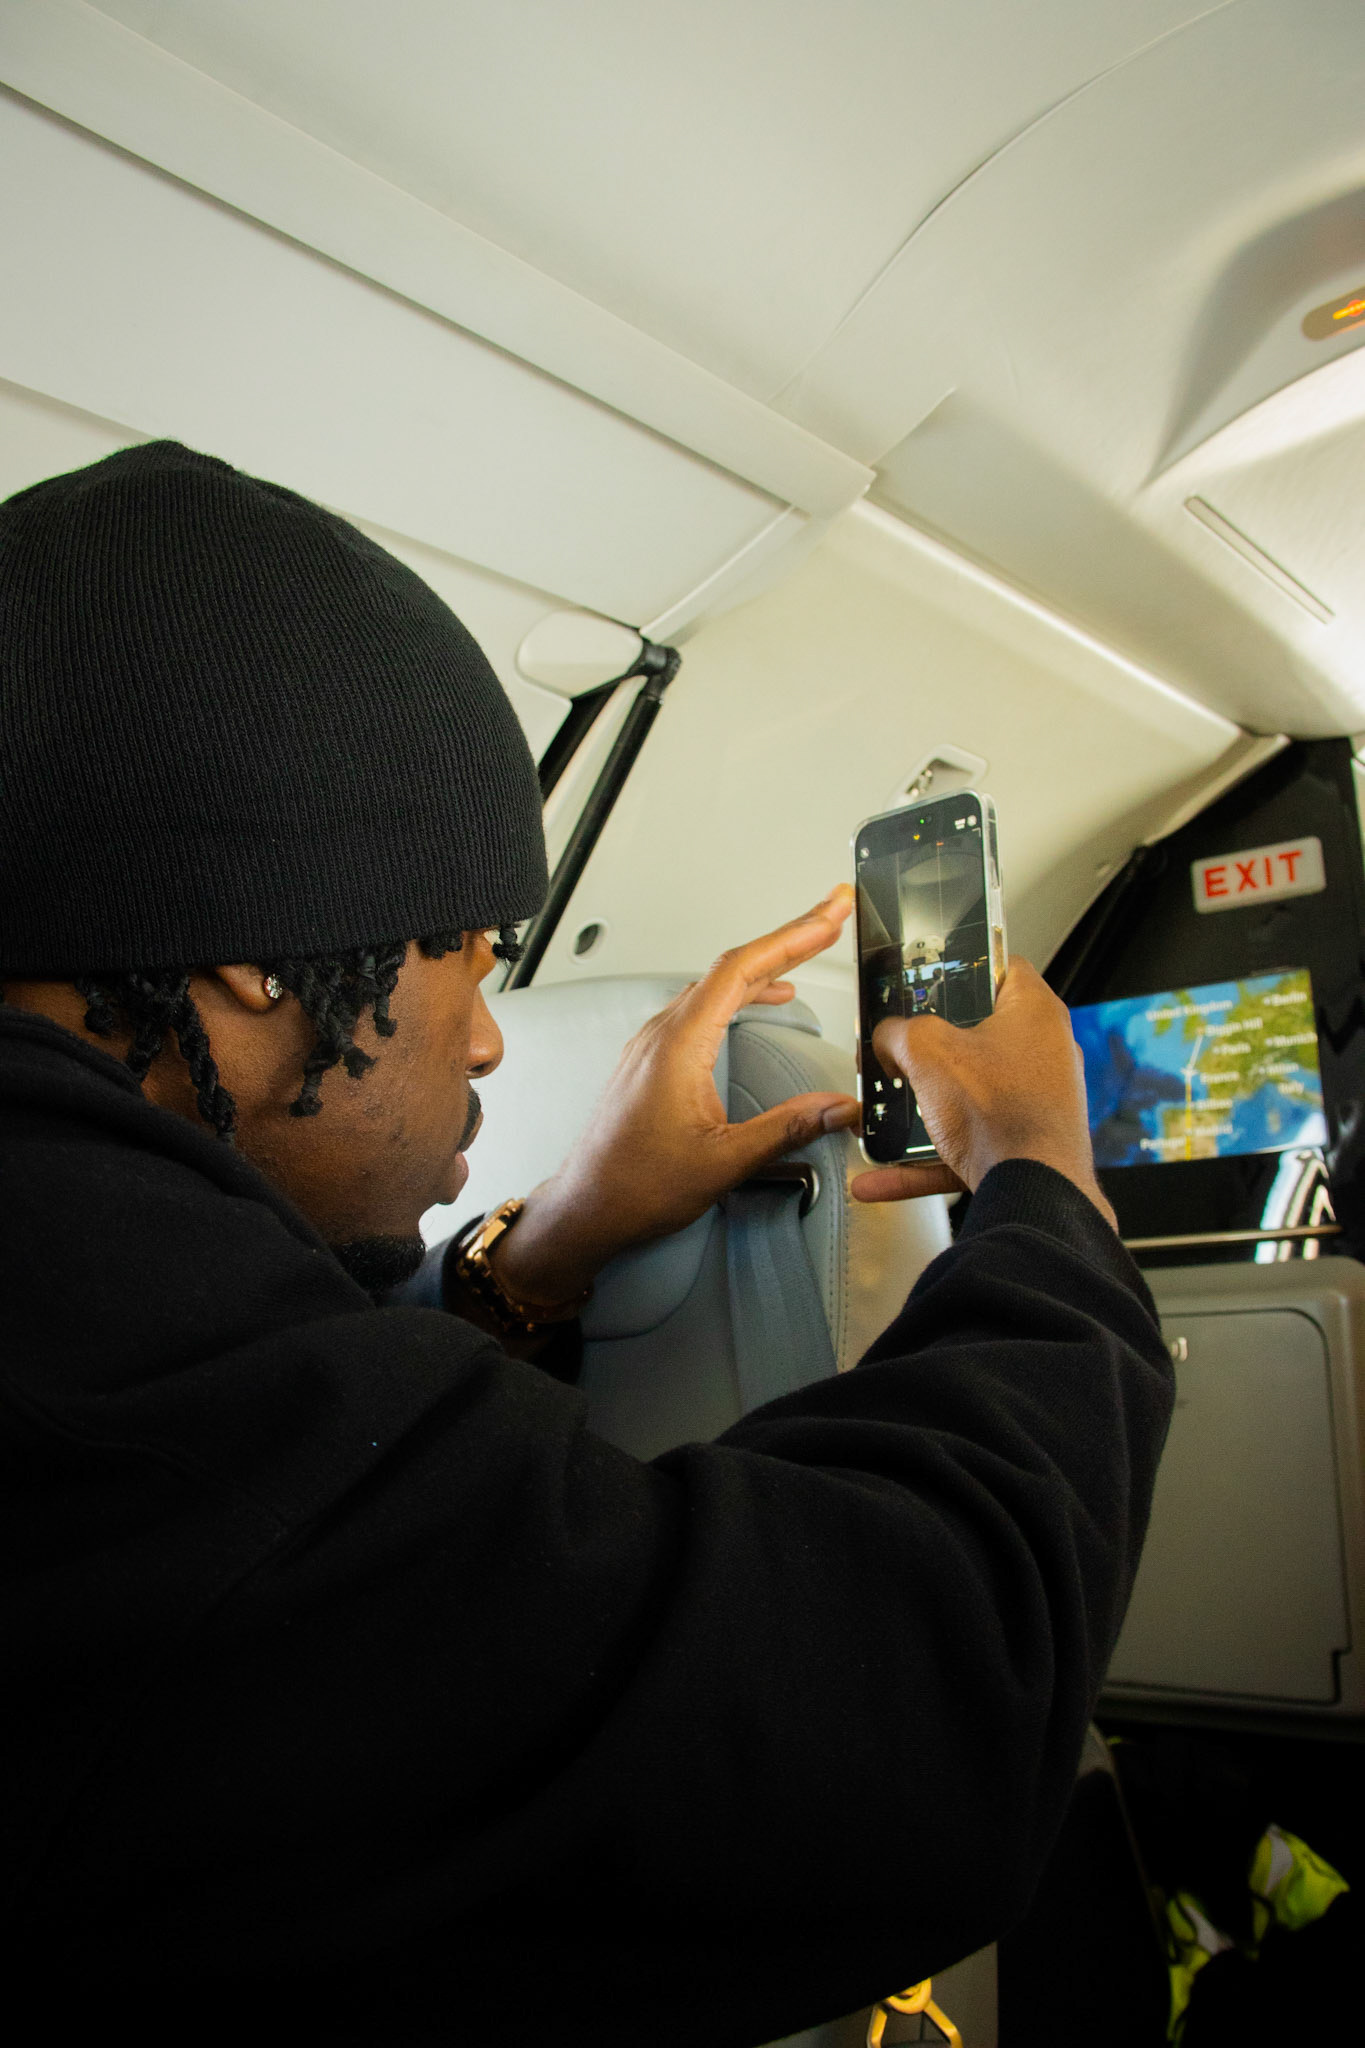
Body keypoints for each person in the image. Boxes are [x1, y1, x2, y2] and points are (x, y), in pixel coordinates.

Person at [0, 441, 1173, 2046]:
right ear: (256, 961)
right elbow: (915, 1705)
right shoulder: (144, 1434)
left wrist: (541, 1252)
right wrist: (1040, 1169)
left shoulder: (87, 1295)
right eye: (467, 953)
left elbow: (305, 1439)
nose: (489, 1038)